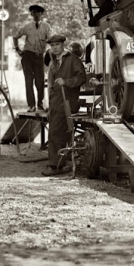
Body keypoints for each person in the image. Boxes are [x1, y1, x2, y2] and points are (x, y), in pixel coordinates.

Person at [43, 34, 86, 176]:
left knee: (56, 131)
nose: (54, 48)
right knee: (56, 132)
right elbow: (50, 85)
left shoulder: (73, 59)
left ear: (63, 45)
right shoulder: (54, 62)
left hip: (68, 100)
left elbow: (81, 77)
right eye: (52, 46)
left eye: (57, 45)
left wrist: (66, 82)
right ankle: (60, 163)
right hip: (55, 101)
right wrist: (48, 106)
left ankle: (55, 166)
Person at [13, 4, 51, 112]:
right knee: (28, 81)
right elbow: (15, 36)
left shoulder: (46, 27)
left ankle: (40, 104)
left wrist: (51, 51)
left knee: (40, 82)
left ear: (41, 14)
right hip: (28, 56)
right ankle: (31, 105)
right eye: (33, 12)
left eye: (38, 12)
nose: (36, 15)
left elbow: (51, 39)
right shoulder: (27, 26)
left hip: (39, 56)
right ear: (31, 14)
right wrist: (18, 49)